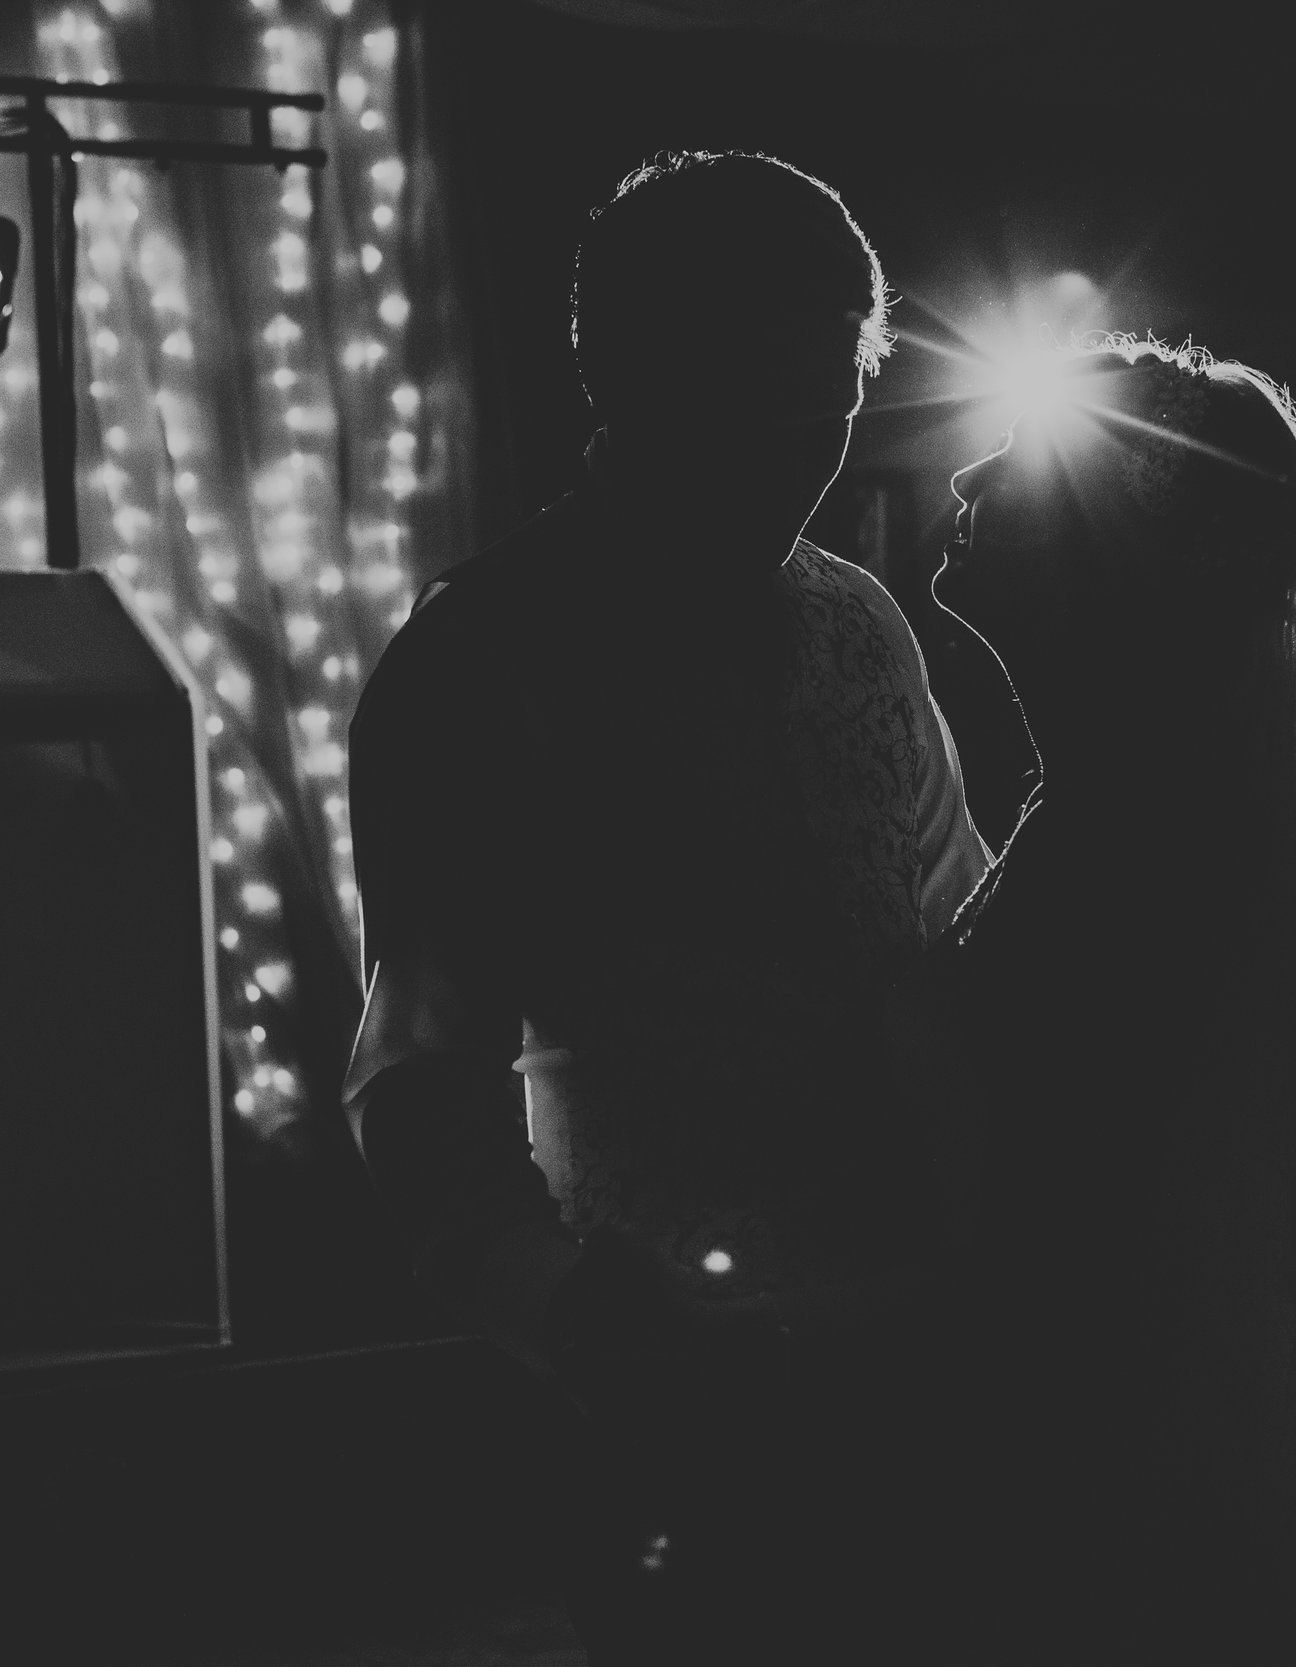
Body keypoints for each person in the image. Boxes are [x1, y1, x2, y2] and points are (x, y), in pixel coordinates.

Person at [340, 152, 996, 1665]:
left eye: (822, 392)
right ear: (612, 368)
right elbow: (421, 1064)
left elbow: (949, 925)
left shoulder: (863, 620)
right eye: (734, 389)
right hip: (680, 1369)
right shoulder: (482, 654)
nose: (787, 442)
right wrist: (581, 1330)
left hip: (928, 1331)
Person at [942, 337, 1296, 1665]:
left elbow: (1124, 1215)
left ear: (1121, 555)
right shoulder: (1124, 805)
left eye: (1020, 466)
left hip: (1130, 1468)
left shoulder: (1164, 843)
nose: (966, 473)